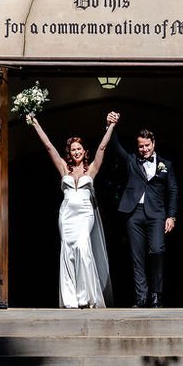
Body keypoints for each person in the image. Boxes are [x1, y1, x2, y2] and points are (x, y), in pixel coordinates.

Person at [26, 113, 116, 308]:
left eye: (79, 149)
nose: (76, 152)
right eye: (73, 149)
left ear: (84, 151)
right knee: (67, 251)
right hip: (66, 215)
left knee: (83, 248)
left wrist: (111, 126)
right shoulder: (63, 169)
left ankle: (86, 297)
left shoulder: (91, 169)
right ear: (70, 152)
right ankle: (71, 299)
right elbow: (49, 146)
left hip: (85, 214)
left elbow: (102, 147)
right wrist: (35, 124)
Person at [104, 112, 178, 307]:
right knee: (137, 257)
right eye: (140, 146)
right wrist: (110, 126)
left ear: (153, 143)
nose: (144, 149)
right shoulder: (131, 160)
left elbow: (173, 191)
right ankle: (141, 297)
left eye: (147, 145)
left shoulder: (166, 165)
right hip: (134, 214)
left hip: (157, 215)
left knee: (157, 251)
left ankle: (156, 295)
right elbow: (115, 146)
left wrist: (172, 216)